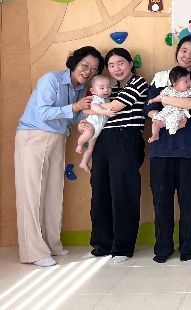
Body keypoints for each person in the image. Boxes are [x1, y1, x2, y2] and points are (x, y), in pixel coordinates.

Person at [15, 46, 102, 266]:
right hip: (33, 136)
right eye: (85, 65)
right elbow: (43, 112)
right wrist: (75, 106)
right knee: (31, 195)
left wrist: (83, 121)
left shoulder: (80, 89)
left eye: (94, 69)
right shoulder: (51, 80)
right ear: (74, 63)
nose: (88, 71)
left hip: (58, 138)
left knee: (53, 193)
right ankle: (33, 252)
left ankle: (51, 244)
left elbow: (72, 118)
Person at [145, 36, 191, 263]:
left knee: (188, 201)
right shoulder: (161, 77)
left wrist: (166, 100)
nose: (187, 56)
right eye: (184, 50)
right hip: (161, 150)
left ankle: (187, 246)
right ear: (177, 52)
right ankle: (163, 247)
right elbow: (149, 106)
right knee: (161, 201)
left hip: (189, 149)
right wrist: (157, 112)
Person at [84, 47, 148, 263]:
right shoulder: (108, 89)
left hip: (126, 138)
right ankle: (102, 243)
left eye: (120, 63)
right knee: (100, 191)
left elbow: (113, 107)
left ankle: (123, 247)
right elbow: (88, 110)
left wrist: (94, 109)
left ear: (130, 64)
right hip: (103, 140)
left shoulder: (139, 83)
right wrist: (90, 112)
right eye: (111, 65)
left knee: (124, 192)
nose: (116, 69)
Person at [147, 66, 191, 143]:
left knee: (175, 120)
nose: (189, 83)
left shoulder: (189, 91)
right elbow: (160, 96)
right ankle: (155, 135)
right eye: (186, 82)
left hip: (180, 111)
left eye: (189, 80)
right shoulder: (168, 89)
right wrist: (153, 100)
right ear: (175, 85)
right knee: (155, 119)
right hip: (168, 110)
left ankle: (166, 124)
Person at [76, 75, 115, 173]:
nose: (106, 90)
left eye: (108, 87)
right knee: (89, 134)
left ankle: (84, 163)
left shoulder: (107, 99)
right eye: (102, 88)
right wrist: (105, 112)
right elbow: (94, 108)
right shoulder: (95, 98)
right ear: (93, 90)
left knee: (91, 149)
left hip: (98, 129)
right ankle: (79, 144)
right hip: (91, 125)